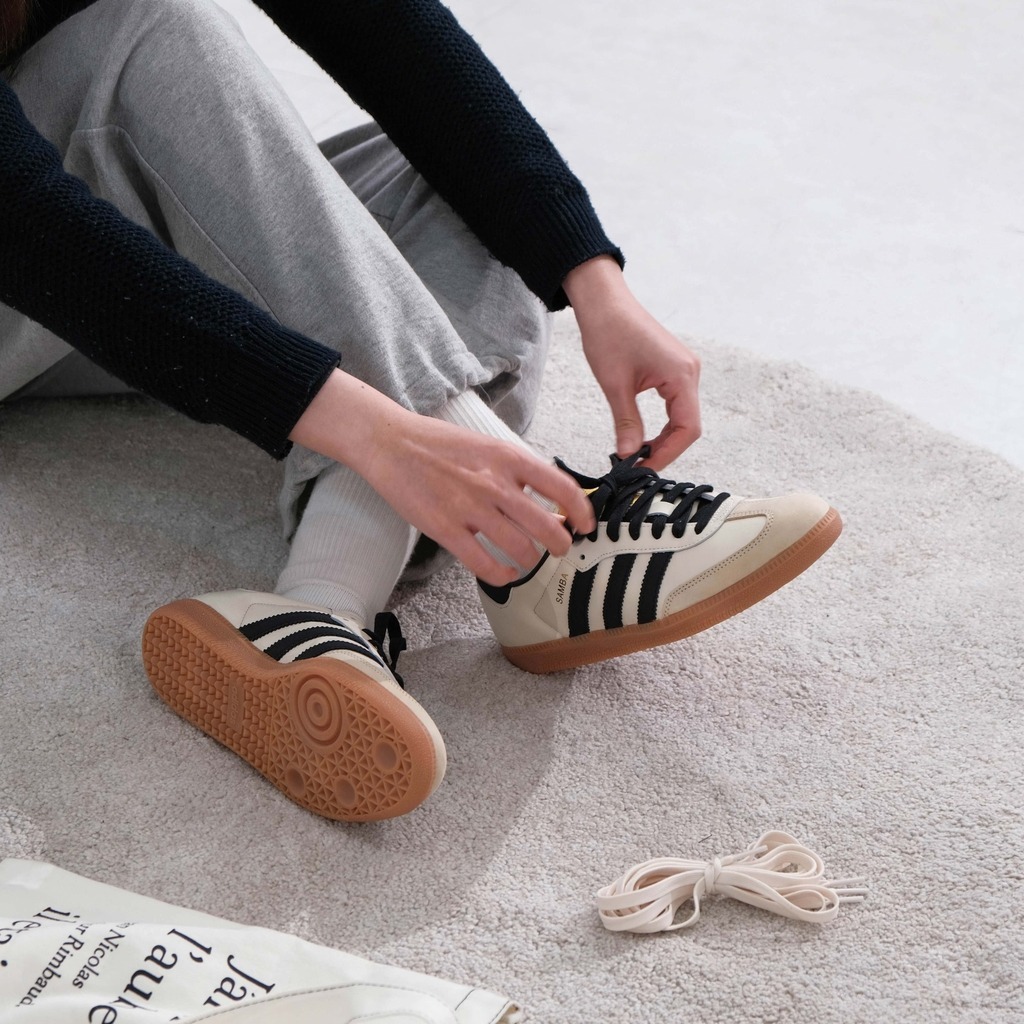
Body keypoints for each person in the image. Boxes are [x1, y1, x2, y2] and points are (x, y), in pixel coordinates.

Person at [1, 0, 841, 823]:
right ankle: (530, 544)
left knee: (451, 167)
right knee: (148, 28)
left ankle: (325, 608)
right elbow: (24, 222)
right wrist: (376, 432)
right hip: (31, 256)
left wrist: (591, 276)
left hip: (78, 254)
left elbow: (381, 25)